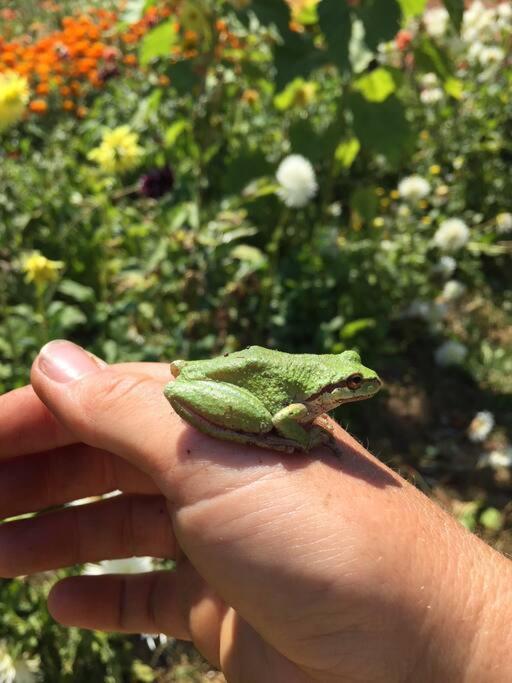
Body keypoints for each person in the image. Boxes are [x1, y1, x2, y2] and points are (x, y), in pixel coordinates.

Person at [0, 339, 510, 682]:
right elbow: (289, 416)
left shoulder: (320, 382)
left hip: (215, 371)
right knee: (271, 417)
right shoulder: (312, 397)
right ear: (334, 385)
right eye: (352, 382)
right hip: (224, 387)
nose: (360, 387)